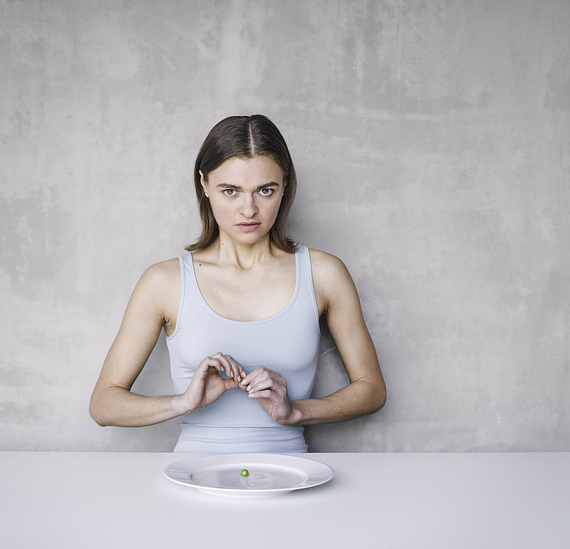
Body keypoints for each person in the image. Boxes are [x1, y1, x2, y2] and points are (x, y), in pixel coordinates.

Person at [89, 114, 386, 452]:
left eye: (265, 190)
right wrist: (184, 402)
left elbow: (372, 390)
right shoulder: (164, 282)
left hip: (291, 479)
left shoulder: (324, 274)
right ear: (204, 184)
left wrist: (295, 411)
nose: (249, 209)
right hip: (192, 478)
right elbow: (103, 405)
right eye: (230, 191)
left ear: (285, 184)